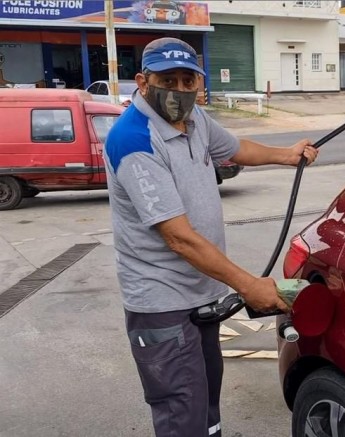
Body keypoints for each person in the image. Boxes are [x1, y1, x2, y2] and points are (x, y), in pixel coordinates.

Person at [103, 37, 318, 437]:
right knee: (181, 409)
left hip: (199, 293)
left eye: (189, 81)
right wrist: (249, 285)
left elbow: (236, 149)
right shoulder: (133, 141)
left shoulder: (195, 120)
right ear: (143, 81)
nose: (180, 90)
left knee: (206, 402)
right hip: (161, 301)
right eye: (169, 79)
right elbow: (179, 238)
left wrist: (286, 155)